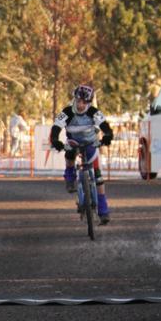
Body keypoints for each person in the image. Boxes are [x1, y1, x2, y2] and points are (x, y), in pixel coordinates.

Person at [49, 84, 114, 225]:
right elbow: (55, 128)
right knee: (69, 151)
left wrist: (108, 136)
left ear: (89, 103)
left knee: (98, 176)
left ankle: (103, 211)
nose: (80, 105)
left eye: (84, 102)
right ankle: (70, 176)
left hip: (91, 142)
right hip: (74, 140)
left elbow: (105, 127)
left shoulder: (93, 112)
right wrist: (55, 140)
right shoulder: (67, 111)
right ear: (75, 99)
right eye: (78, 101)